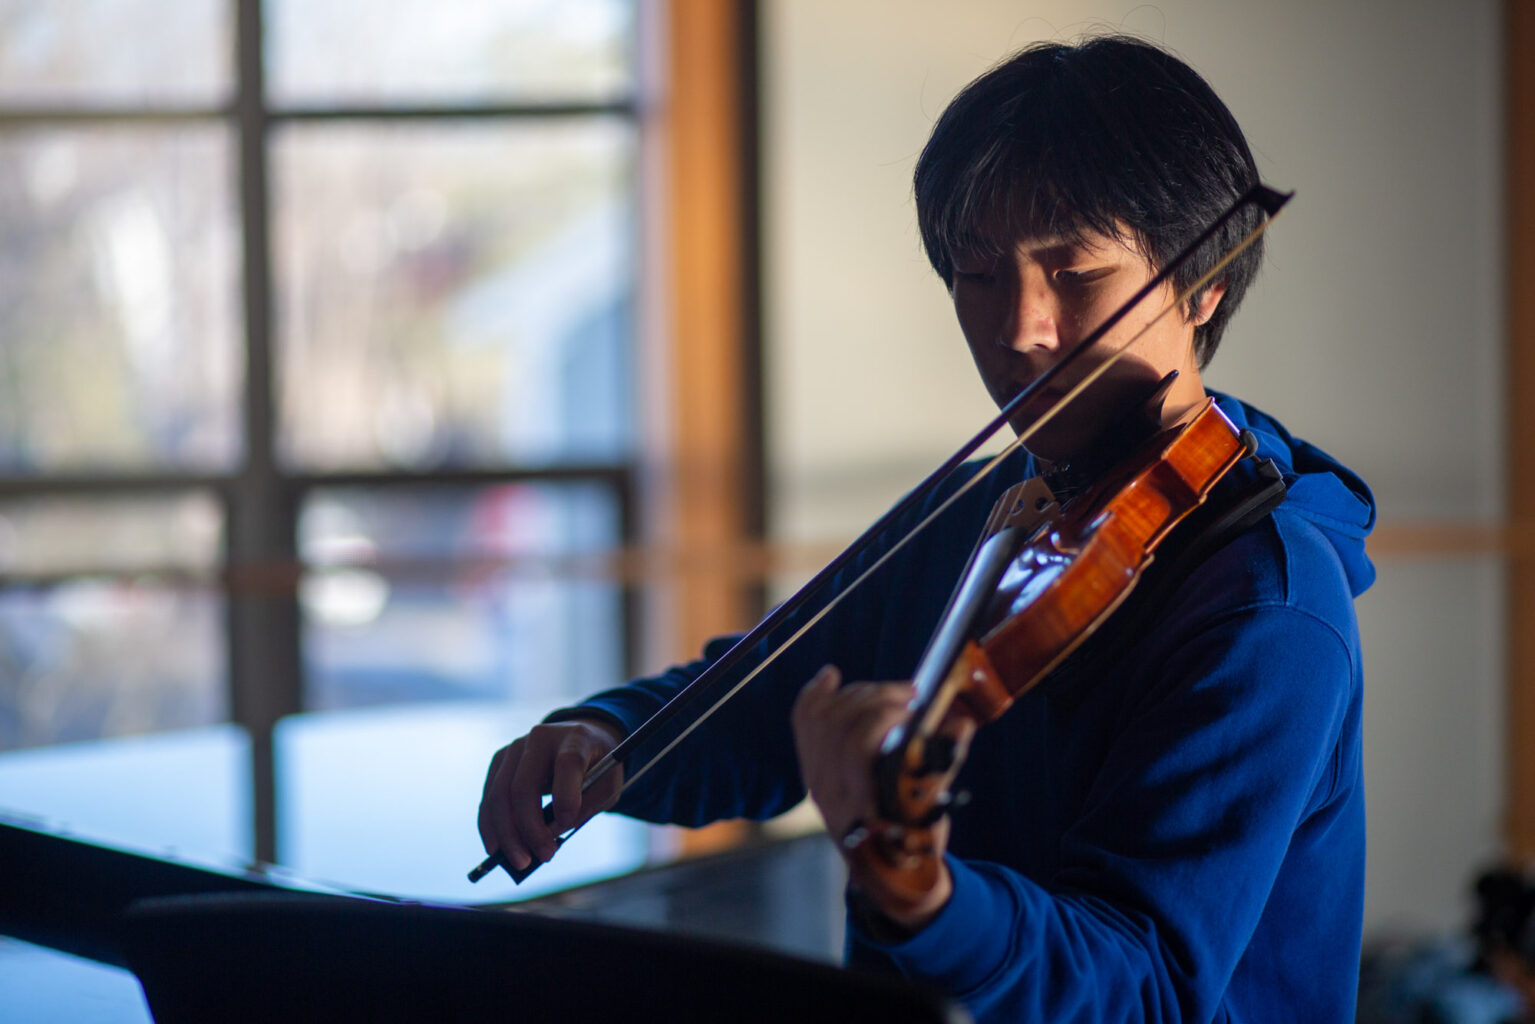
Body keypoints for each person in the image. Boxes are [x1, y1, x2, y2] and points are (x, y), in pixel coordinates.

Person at [478, 34, 1376, 1023]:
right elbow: (777, 685)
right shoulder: (1003, 503)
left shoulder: (1264, 603)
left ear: (1201, 282)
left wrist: (926, 895)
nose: (1017, 328)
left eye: (1073, 272)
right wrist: (606, 735)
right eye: (978, 273)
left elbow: (1147, 983)